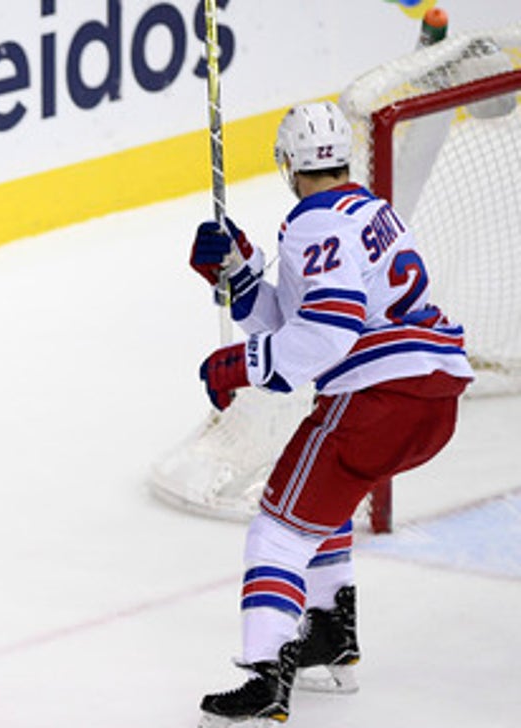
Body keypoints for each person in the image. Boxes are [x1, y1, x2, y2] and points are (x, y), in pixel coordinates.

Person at [188, 100, 473, 726]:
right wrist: (240, 270)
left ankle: (264, 680)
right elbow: (303, 315)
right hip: (434, 397)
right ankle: (329, 637)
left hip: (380, 399)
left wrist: (241, 365)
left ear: (289, 163)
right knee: (328, 499)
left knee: (277, 529)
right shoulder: (372, 210)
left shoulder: (314, 223)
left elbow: (325, 333)